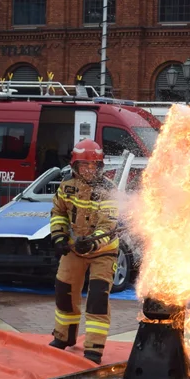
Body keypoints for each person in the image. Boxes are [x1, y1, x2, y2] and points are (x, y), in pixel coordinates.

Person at [48, 139, 119, 364]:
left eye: (93, 166)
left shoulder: (108, 190)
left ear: (100, 167)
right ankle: (64, 336)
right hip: (74, 249)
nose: (89, 170)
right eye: (84, 166)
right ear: (75, 167)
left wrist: (91, 243)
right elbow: (58, 212)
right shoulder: (66, 186)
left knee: (97, 298)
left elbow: (107, 224)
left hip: (103, 251)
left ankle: (94, 348)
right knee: (64, 290)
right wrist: (59, 237)